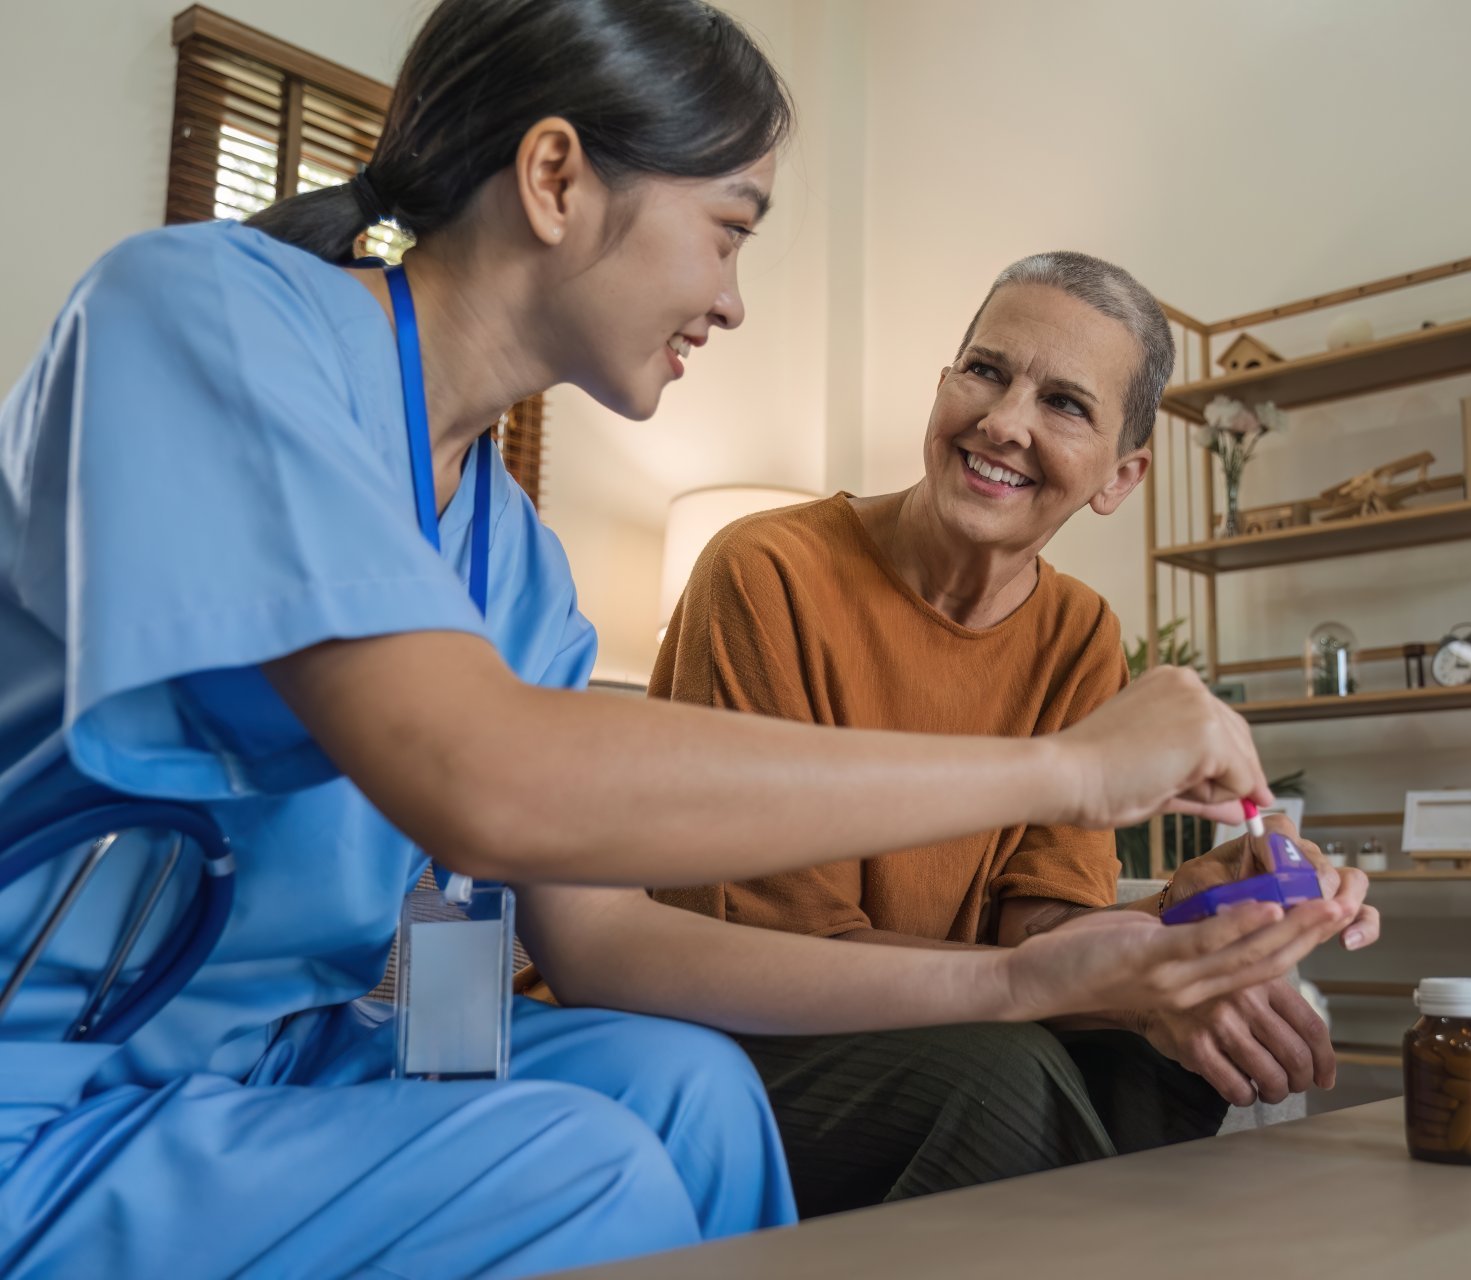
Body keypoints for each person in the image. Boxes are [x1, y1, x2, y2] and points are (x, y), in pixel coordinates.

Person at [0, 2, 1350, 1276]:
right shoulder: (198, 316)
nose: (735, 299)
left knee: (692, 1091)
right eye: (728, 230)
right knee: (576, 1166)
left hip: (289, 1053)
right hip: (54, 1084)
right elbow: (486, 774)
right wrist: (1069, 767)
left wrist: (1024, 976)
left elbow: (597, 941)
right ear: (556, 180)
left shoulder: (514, 557)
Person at [531, 252, 1382, 1216]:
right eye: (985, 371)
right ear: (943, 385)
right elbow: (783, 948)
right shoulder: (767, 572)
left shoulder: (1080, 633)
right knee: (1003, 1077)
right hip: (722, 1024)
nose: (1005, 422)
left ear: (1120, 475)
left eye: (1064, 403)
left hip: (932, 1017)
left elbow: (1039, 928)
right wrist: (1100, 983)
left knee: (1165, 1063)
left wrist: (1182, 917)